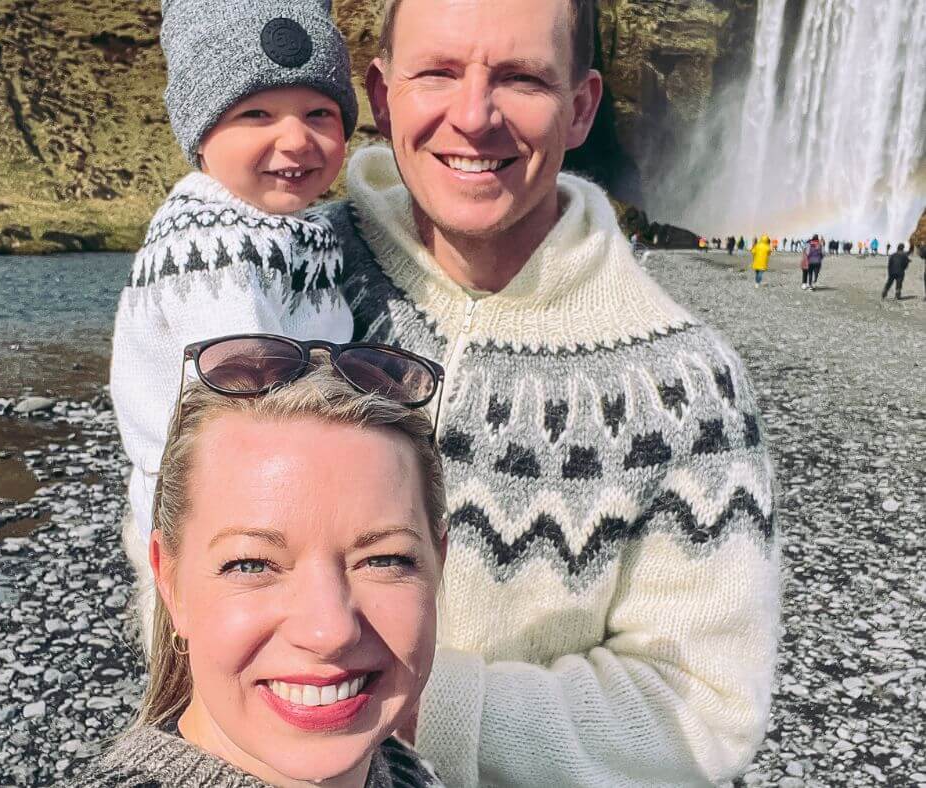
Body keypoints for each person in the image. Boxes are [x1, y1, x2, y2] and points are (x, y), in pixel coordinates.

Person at [298, 0, 779, 785]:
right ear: (382, 97)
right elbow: (175, 552)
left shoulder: (690, 385)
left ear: (582, 106)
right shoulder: (273, 285)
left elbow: (705, 706)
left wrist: (402, 701)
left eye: (520, 77)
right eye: (439, 73)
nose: (474, 116)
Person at [111, 0, 362, 647]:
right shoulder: (213, 236)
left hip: (263, 499)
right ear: (200, 132)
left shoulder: (286, 227)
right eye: (256, 114)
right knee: (208, 662)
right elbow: (245, 393)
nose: (296, 139)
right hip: (210, 509)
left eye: (320, 114)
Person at [72, 356, 447, 787]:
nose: (330, 632)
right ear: (169, 581)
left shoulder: (408, 771)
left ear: (438, 562)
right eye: (251, 565)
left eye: (384, 560)